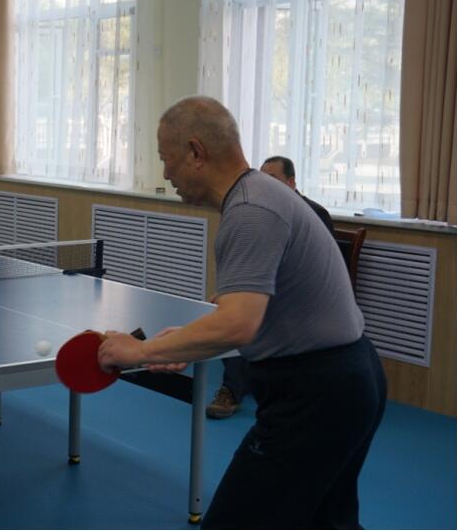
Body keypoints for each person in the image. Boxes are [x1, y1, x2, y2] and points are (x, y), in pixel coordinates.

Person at [98, 96, 386, 529]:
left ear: (195, 152)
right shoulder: (260, 195)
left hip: (317, 395)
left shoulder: (251, 211)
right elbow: (250, 310)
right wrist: (185, 343)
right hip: (349, 379)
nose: (165, 173)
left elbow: (237, 325)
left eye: (165, 158)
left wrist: (139, 352)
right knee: (328, 521)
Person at [206, 154, 335, 419]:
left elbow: (312, 269)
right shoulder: (260, 211)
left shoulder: (315, 214)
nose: (266, 184)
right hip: (267, 289)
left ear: (291, 182)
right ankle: (232, 390)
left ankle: (239, 389)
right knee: (232, 310)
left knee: (246, 314)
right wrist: (233, 292)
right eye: (263, 178)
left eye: (273, 178)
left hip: (301, 296)